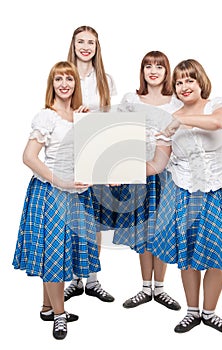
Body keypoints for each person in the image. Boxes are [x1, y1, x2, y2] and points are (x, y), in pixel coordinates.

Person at [151, 58, 222, 334]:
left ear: (200, 81)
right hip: (183, 192)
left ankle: (210, 312)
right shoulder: (169, 118)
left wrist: (178, 119)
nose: (183, 86)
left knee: (218, 255)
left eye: (189, 80)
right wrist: (123, 170)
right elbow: (158, 163)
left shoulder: (217, 104)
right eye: (179, 82)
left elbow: (217, 124)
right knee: (189, 254)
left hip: (217, 189)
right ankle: (192, 312)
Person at [12, 61, 101, 340]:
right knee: (53, 254)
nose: (64, 83)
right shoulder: (46, 116)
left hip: (76, 194)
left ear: (76, 84)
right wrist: (59, 181)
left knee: (60, 251)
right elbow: (28, 157)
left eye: (69, 79)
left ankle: (48, 307)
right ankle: (60, 317)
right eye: (58, 79)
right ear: (51, 84)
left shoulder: (80, 115)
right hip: (51, 193)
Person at [112, 51, 182, 310]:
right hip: (138, 171)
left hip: (167, 173)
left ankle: (160, 289)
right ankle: (144, 287)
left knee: (161, 229)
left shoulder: (175, 102)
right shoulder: (132, 99)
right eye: (148, 66)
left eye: (159, 67)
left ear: (167, 72)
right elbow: (119, 135)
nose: (153, 71)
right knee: (143, 229)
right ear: (142, 71)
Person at [64, 25, 117, 303]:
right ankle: (74, 279)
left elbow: (112, 123)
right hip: (68, 154)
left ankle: (93, 280)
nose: (86, 46)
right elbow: (54, 112)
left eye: (91, 43)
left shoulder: (105, 79)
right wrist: (74, 114)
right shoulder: (63, 74)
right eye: (81, 41)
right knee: (74, 219)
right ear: (73, 45)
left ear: (97, 48)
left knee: (95, 219)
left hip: (96, 155)